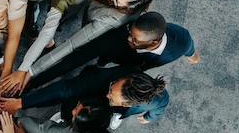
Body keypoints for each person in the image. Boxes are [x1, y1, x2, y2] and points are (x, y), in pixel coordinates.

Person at [23, 0, 157, 88]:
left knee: (74, 57)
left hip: (101, 29)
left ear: (127, 6)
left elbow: (71, 45)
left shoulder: (115, 19)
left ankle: (32, 84)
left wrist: (30, 71)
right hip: (94, 3)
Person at [28, 12, 199, 87]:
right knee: (98, 58)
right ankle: (104, 60)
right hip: (113, 51)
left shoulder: (181, 40)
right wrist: (31, 81)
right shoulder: (117, 37)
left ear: (154, 42)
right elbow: (72, 61)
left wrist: (192, 56)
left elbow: (189, 47)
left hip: (136, 65)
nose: (128, 38)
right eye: (130, 32)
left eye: (134, 39)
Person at [0, 65, 169, 126]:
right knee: (70, 105)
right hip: (91, 89)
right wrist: (22, 102)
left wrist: (148, 118)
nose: (107, 92)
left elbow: (161, 106)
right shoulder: (103, 80)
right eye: (112, 87)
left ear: (126, 104)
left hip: (118, 111)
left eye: (111, 96)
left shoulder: (158, 99)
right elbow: (64, 88)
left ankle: (117, 116)